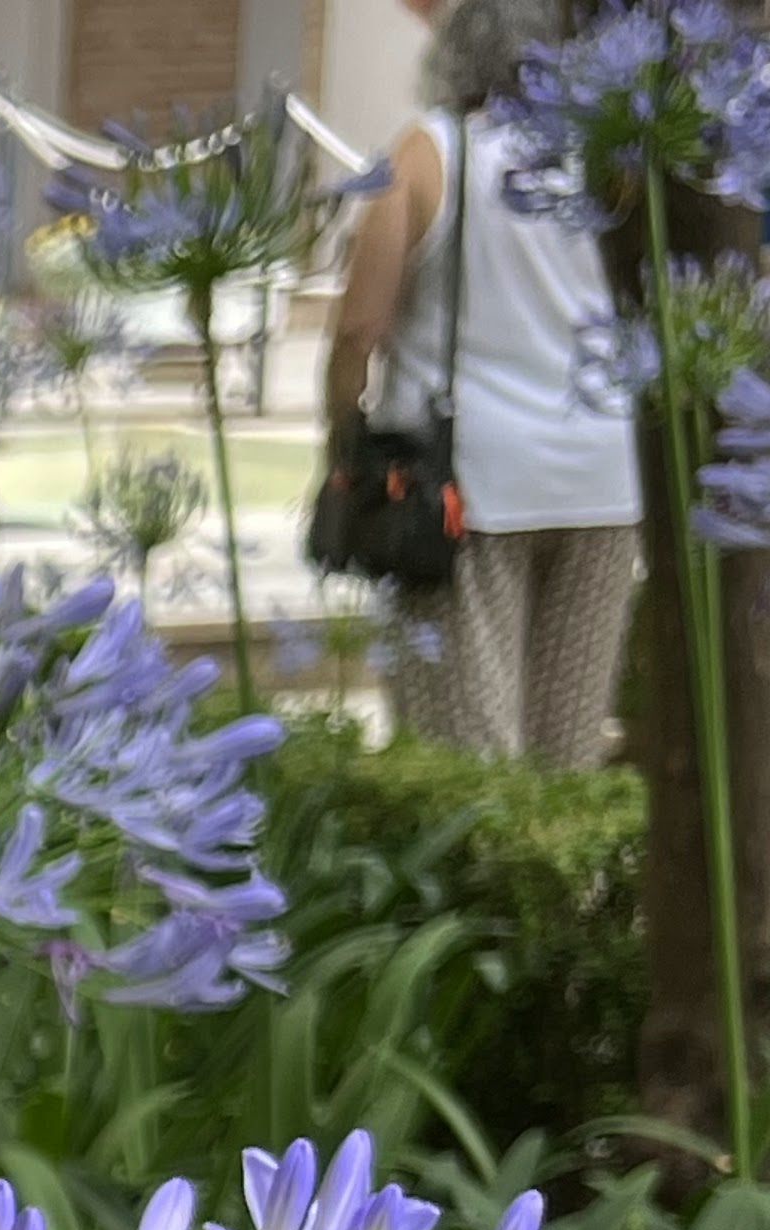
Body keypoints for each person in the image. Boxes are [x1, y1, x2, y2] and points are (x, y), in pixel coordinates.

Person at [324, 0, 640, 762]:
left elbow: (360, 325)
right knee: (565, 747)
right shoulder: (611, 163)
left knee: (467, 751)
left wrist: (342, 425)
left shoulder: (428, 153)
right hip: (605, 477)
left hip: (466, 486)